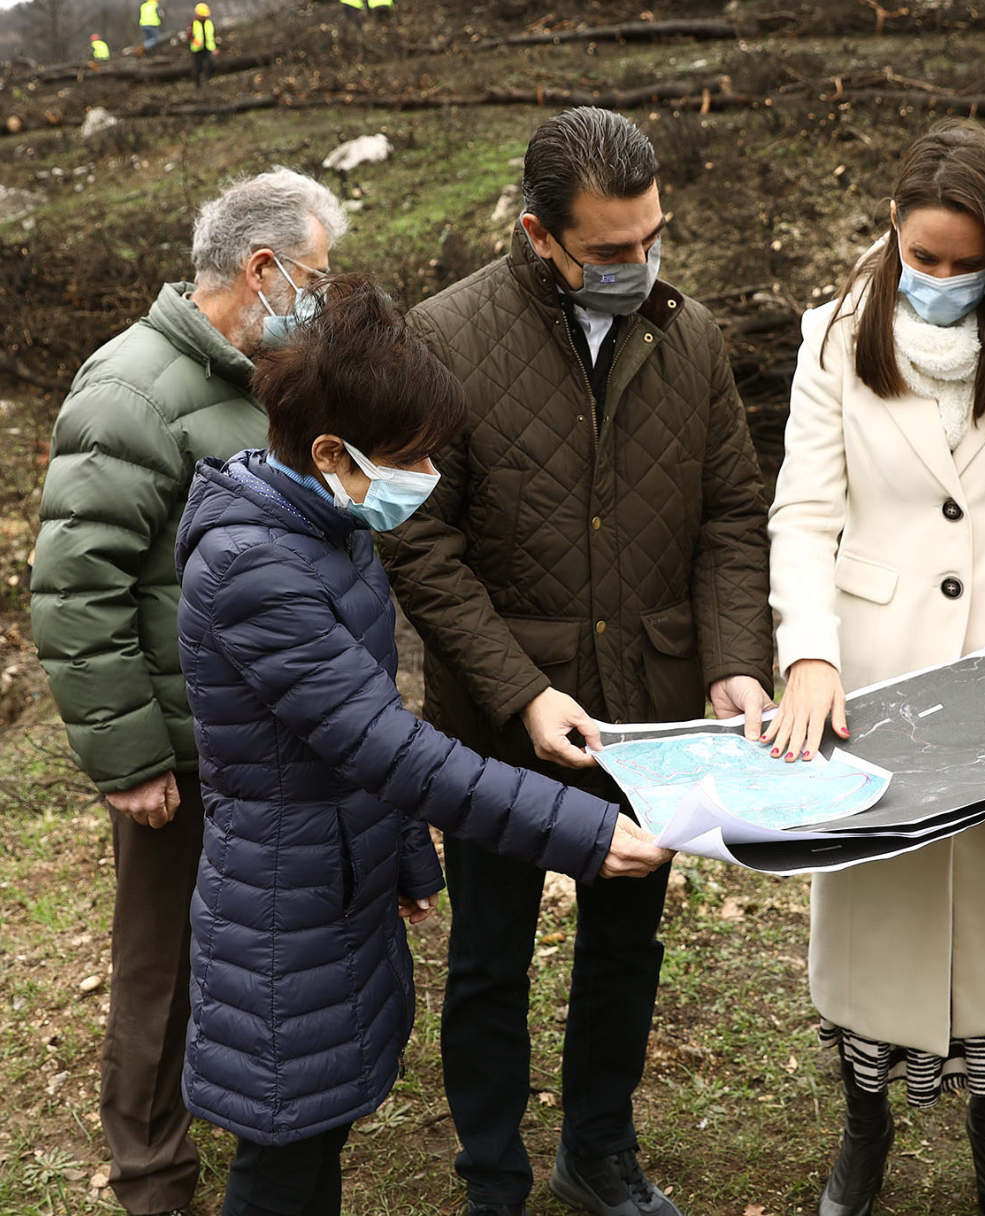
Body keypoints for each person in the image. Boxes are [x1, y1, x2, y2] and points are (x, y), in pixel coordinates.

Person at [175, 274, 671, 1216]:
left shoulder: (324, 524)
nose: (427, 480)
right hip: (280, 908)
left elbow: (348, 723)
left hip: (333, 877)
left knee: (314, 1128)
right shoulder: (255, 570)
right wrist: (586, 835)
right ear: (331, 450)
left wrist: (399, 850)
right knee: (283, 1150)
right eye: (409, 460)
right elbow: (392, 745)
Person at [381, 105, 773, 1216]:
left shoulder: (685, 333)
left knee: (623, 948)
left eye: (653, 237)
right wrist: (519, 689)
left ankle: (598, 1148)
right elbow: (421, 543)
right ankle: (492, 1175)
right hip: (502, 725)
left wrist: (738, 658)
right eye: (610, 251)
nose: (639, 265)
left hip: (648, 716)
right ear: (538, 234)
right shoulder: (446, 337)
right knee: (491, 956)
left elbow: (731, 516)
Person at [766, 122, 985, 1216]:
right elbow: (804, 514)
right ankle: (861, 1124)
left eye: (970, 265)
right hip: (877, 680)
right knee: (880, 917)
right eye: (925, 260)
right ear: (894, 237)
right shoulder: (834, 334)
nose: (945, 281)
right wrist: (809, 652)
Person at [31, 167, 348, 1216]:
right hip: (180, 750)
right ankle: (153, 1172)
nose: (324, 292)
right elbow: (79, 586)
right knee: (160, 966)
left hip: (259, 743)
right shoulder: (132, 388)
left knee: (243, 945)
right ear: (262, 270)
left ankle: (231, 1119)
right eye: (316, 273)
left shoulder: (264, 375)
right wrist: (128, 761)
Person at [189, 4, 217, 86]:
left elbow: (214, 35)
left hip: (208, 47)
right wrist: (196, 42)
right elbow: (189, 36)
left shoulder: (209, 23)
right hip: (197, 49)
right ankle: (197, 85)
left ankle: (207, 79)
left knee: (211, 63)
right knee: (197, 67)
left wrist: (216, 47)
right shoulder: (193, 24)